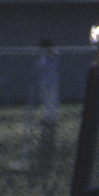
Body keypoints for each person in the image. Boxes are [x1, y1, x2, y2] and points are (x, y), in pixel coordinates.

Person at [32, 38, 60, 181]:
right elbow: (39, 68)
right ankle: (46, 118)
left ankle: (52, 118)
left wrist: (49, 50)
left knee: (52, 102)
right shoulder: (42, 57)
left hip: (52, 82)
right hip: (45, 83)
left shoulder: (53, 53)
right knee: (45, 102)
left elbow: (56, 55)